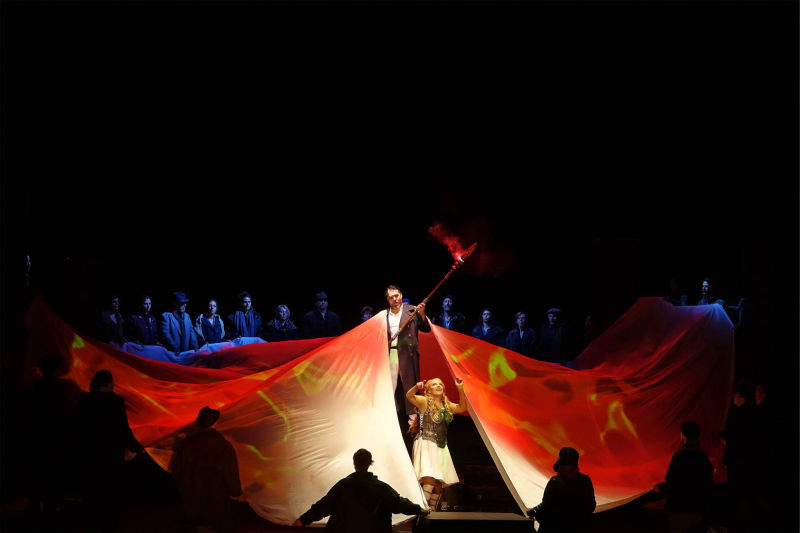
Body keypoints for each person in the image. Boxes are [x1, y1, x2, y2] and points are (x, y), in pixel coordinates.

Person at [75, 369, 144, 532]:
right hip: (110, 451)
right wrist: (134, 446)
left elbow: (78, 426)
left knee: (91, 488)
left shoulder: (86, 400)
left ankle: (91, 522)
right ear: (108, 384)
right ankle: (107, 524)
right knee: (109, 489)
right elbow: (122, 427)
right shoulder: (115, 402)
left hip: (89, 450)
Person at [291, 448, 427, 531]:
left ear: (354, 463)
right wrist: (419, 509)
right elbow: (399, 503)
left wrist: (302, 520)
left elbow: (323, 506)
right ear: (370, 463)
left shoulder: (343, 485)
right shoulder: (380, 488)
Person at [169, 406, 244, 533]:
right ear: (215, 423)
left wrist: (182, 486)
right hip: (216, 495)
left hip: (191, 494)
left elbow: (176, 469)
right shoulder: (223, 445)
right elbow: (230, 471)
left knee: (194, 526)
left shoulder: (186, 444)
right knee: (214, 525)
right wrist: (236, 492)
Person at [405, 377, 467, 510]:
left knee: (439, 483)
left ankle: (432, 511)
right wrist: (416, 387)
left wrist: (460, 389)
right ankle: (422, 508)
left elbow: (462, 407)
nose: (438, 386)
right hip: (426, 442)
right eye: (434, 384)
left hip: (441, 445)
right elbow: (409, 396)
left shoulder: (447, 405)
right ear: (428, 390)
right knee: (429, 477)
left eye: (440, 384)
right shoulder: (424, 401)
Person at [384, 285, 430, 452]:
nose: (395, 299)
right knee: (390, 390)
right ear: (388, 300)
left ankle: (414, 428)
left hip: (408, 357)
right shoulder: (384, 316)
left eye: (396, 295)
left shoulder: (412, 310)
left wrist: (422, 314)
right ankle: (390, 427)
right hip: (390, 356)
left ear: (401, 295)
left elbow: (426, 328)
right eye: (391, 297)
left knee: (410, 390)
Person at [653, 421, 713, 532]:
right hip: (699, 509)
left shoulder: (679, 456)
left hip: (680, 509)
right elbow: (707, 483)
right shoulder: (703, 458)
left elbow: (673, 482)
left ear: (683, 436)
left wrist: (660, 487)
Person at [527, 446, 596, 533]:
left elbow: (546, 507)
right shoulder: (585, 480)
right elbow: (591, 506)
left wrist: (537, 515)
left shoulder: (555, 482)